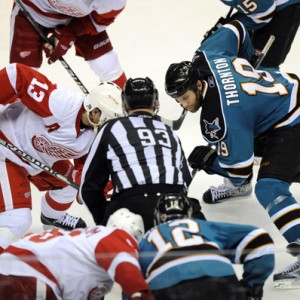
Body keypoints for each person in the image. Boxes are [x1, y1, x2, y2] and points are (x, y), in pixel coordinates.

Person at [164, 20, 300, 288]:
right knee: (234, 144)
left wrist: (210, 162)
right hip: (285, 94)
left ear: (198, 85)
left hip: (291, 121)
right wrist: (247, 59)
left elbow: (240, 174)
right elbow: (236, 28)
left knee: (270, 187)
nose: (183, 104)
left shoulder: (218, 117)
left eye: (184, 97)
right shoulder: (205, 56)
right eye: (177, 100)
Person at [0, 63, 123, 253]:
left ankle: (52, 217)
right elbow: (16, 74)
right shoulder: (61, 105)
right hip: (6, 149)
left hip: (36, 160)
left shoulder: (95, 133)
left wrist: (92, 186)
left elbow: (84, 168)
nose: (110, 127)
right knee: (18, 220)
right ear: (95, 112)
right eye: (108, 120)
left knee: (68, 185)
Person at [79, 77, 204, 232]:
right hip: (176, 205)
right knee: (203, 245)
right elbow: (184, 183)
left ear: (124, 105)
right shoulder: (169, 133)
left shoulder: (111, 128)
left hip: (129, 208)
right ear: (156, 104)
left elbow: (89, 188)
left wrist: (106, 220)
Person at [139, 193, 275, 300]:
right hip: (220, 283)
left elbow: (133, 280)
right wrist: (252, 287)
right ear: (189, 213)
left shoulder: (146, 239)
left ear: (157, 217)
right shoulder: (202, 226)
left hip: (166, 288)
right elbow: (260, 239)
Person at [0, 208, 155, 300]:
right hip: (33, 277)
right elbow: (126, 269)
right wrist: (140, 293)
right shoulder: (116, 236)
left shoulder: (82, 239)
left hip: (12, 271)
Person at [10, 0, 127, 89]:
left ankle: (126, 109)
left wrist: (72, 31)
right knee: (22, 75)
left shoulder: (114, 2)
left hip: (78, 18)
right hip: (32, 11)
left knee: (106, 64)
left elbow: (101, 19)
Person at [203, 0, 300, 71]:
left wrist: (228, 28)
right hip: (264, 7)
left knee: (263, 66)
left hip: (283, 7)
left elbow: (265, 13)